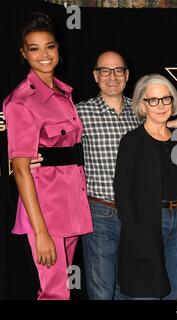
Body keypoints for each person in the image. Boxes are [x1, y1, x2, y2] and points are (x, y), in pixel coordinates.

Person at [3, 12, 92, 300]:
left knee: (62, 290)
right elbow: (21, 169)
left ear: (58, 48)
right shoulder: (22, 101)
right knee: (53, 293)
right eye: (34, 48)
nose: (44, 55)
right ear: (23, 53)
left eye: (50, 46)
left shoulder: (64, 93)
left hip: (71, 205)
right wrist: (40, 232)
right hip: (45, 212)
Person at [113, 74, 177, 299]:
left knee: (173, 290)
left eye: (166, 99)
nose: (161, 105)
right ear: (142, 106)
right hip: (147, 222)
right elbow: (123, 192)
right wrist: (136, 233)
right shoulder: (132, 141)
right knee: (146, 290)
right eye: (153, 100)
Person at [76, 50, 141, 299]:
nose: (112, 76)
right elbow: (50, 141)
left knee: (129, 289)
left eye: (118, 70)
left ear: (127, 75)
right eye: (105, 70)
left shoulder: (141, 113)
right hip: (99, 213)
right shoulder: (81, 113)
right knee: (102, 292)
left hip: (135, 215)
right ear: (95, 76)